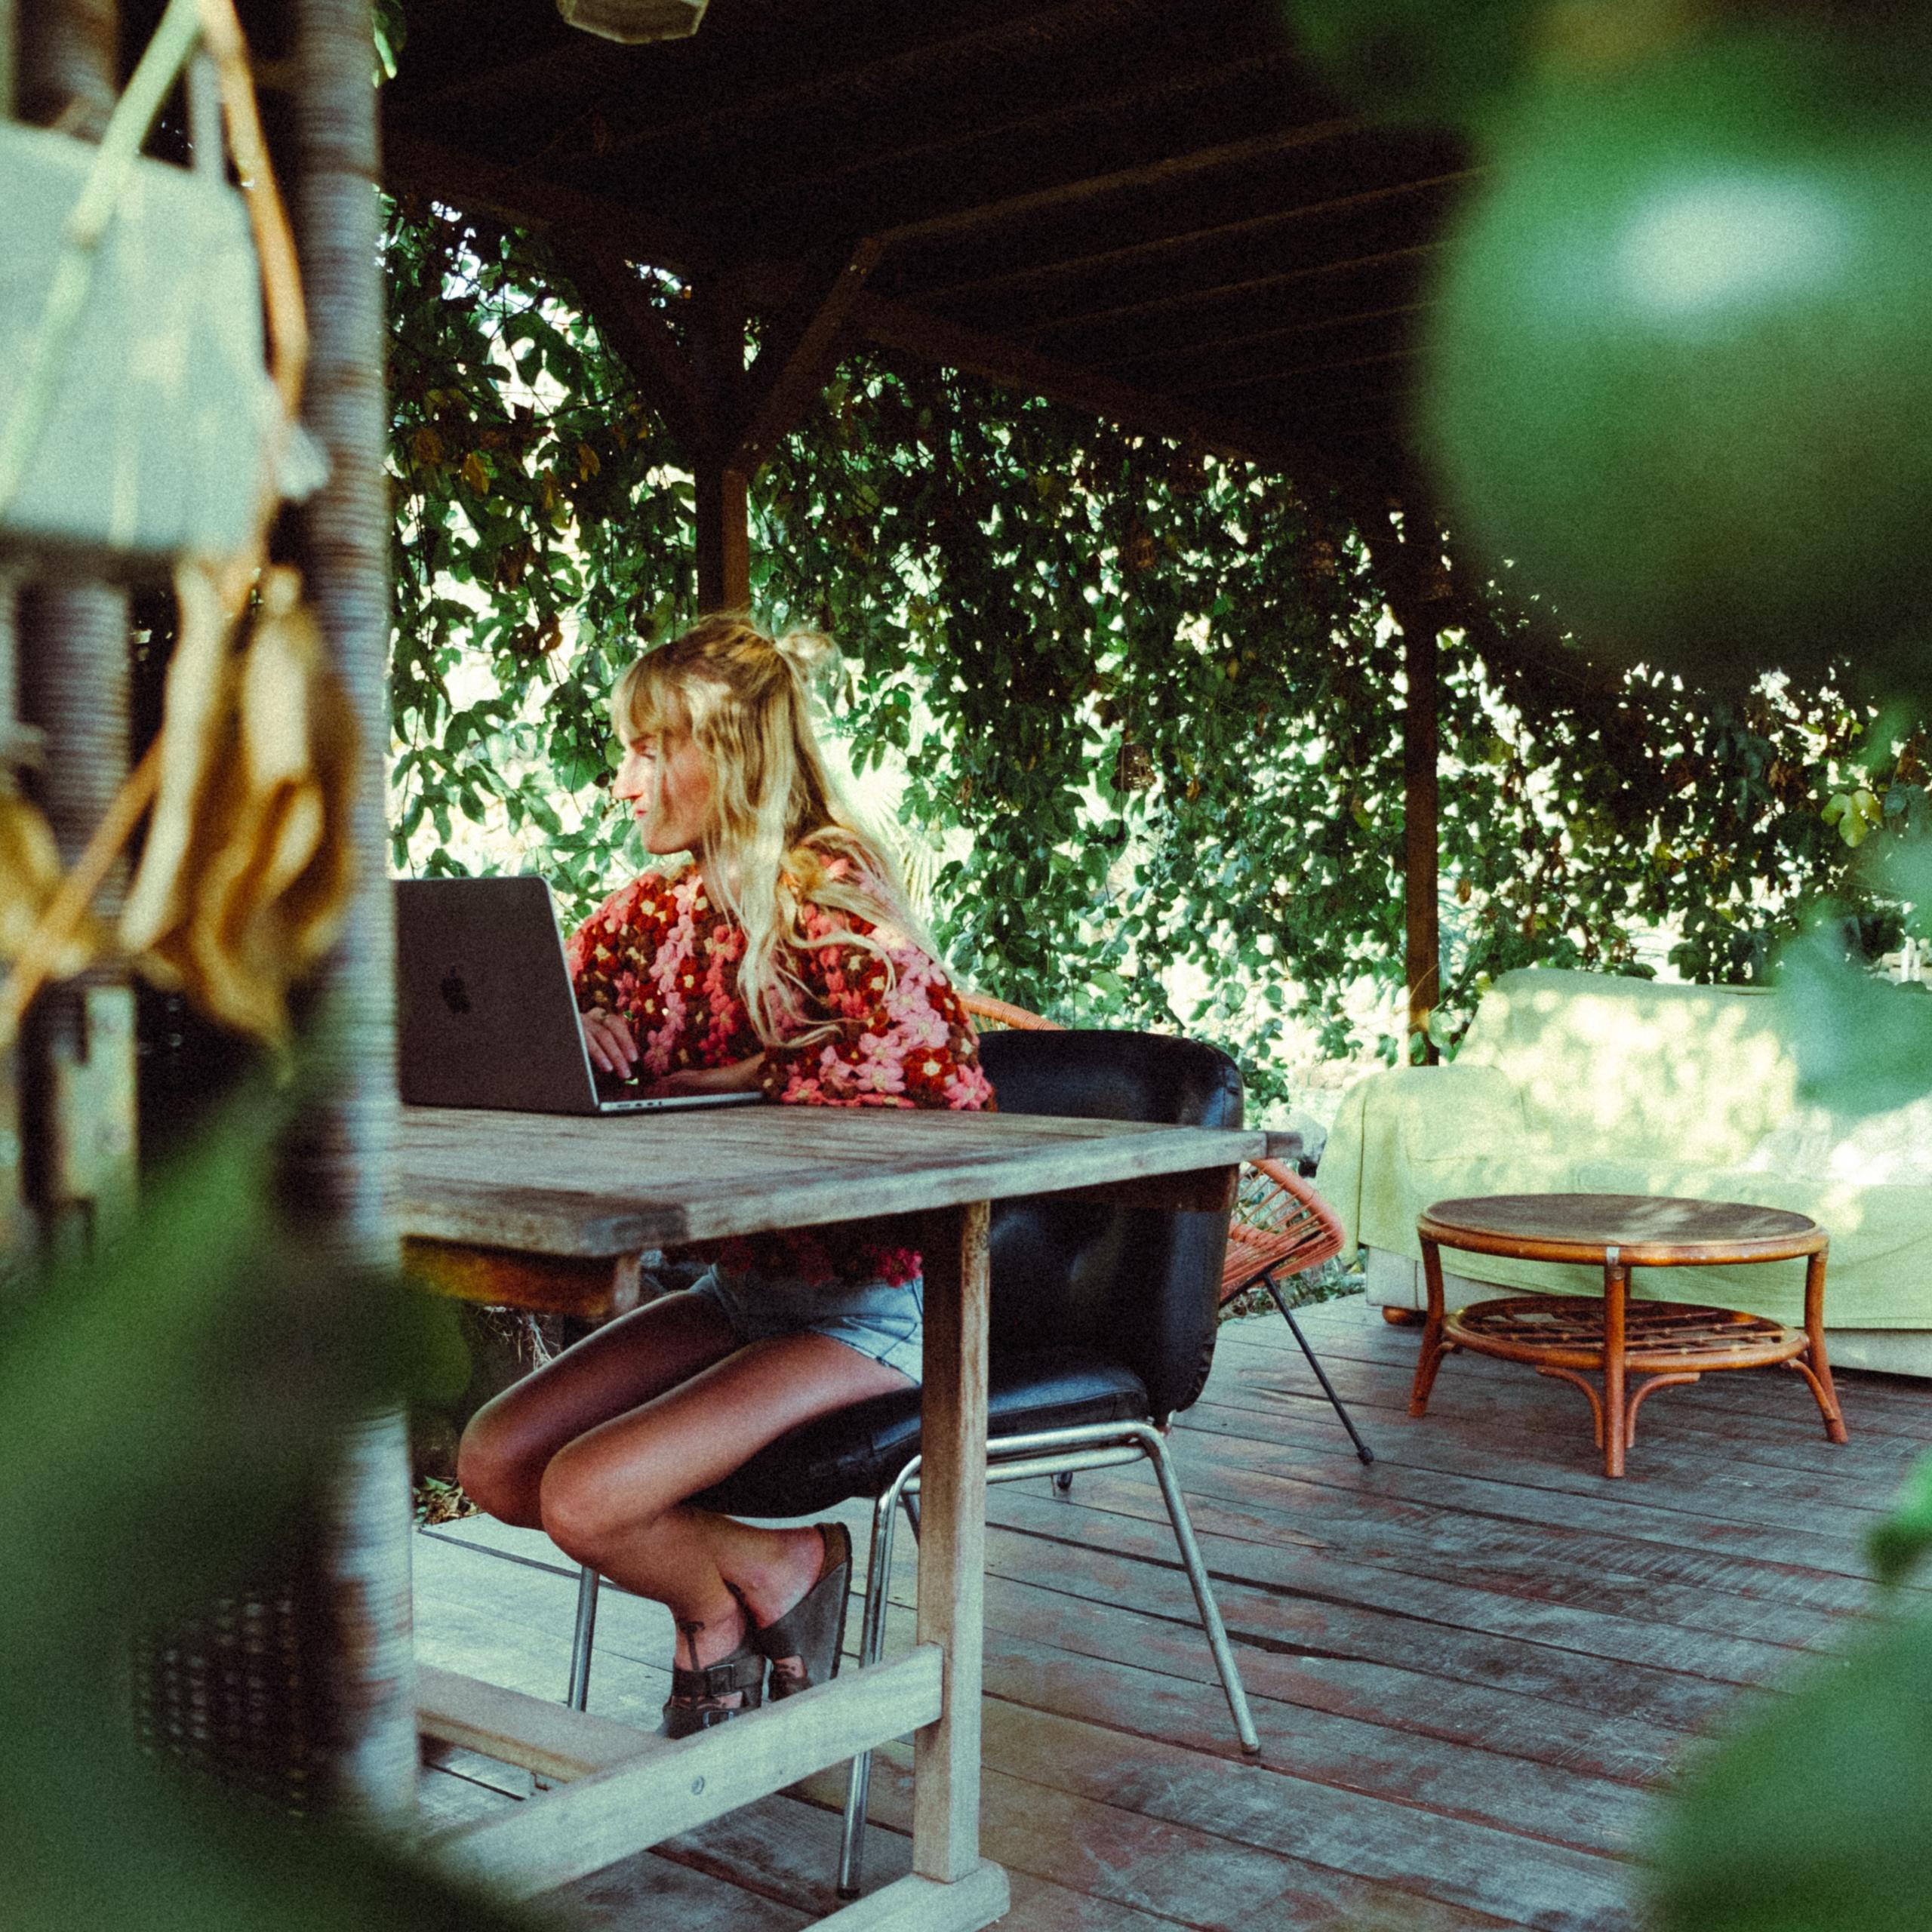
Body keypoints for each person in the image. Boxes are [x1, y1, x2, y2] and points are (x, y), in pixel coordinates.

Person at [457, 614, 994, 1737]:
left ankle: (731, 1603)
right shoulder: (653, 910)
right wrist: (589, 1032)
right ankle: (775, 1564)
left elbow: (934, 1073)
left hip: (869, 1312)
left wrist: (720, 1073)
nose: (625, 784)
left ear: (731, 754)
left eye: (651, 751)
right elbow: (525, 1024)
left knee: (586, 1497)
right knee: (496, 1463)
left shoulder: (830, 886)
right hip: (742, 1297)